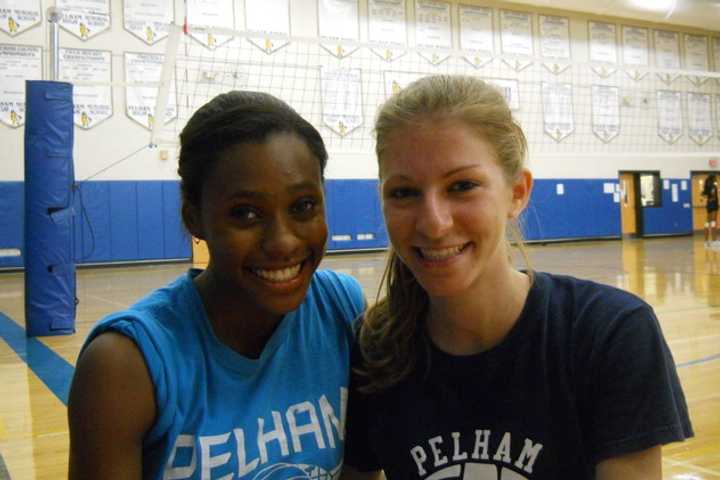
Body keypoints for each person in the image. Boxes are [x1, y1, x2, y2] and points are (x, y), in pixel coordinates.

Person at [342, 75, 692, 480]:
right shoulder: (373, 347)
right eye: (404, 193)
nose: (434, 224)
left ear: (517, 192)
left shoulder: (610, 332)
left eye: (462, 186)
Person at [68, 91, 365, 479]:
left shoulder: (340, 308)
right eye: (245, 213)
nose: (283, 242)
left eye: (303, 206)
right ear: (194, 217)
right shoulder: (125, 365)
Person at [702, 173, 718, 248]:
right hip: (713, 204)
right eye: (715, 178)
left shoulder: (706, 186)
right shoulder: (713, 186)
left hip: (708, 205)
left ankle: (706, 241)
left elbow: (702, 196)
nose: (716, 179)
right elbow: (713, 195)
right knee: (713, 222)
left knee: (707, 223)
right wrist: (713, 199)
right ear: (713, 179)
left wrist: (708, 199)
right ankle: (714, 241)